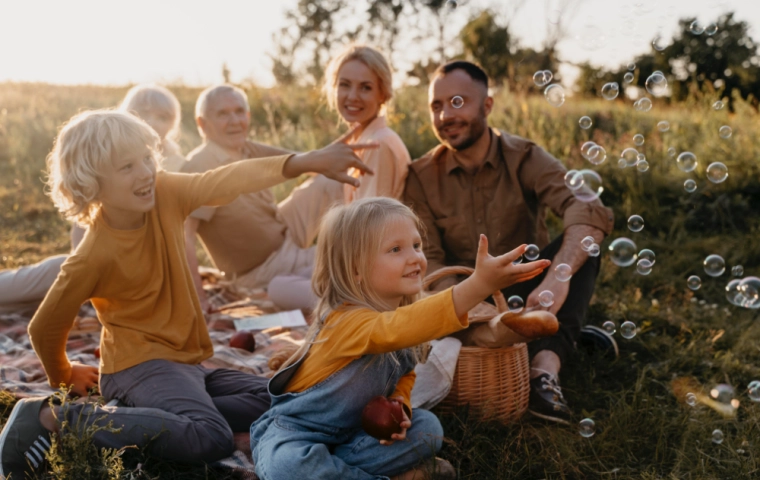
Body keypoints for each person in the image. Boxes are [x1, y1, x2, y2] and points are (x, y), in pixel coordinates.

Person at [0, 109, 374, 478]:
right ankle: (55, 417)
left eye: (146, 158)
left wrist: (303, 161)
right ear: (91, 182)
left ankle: (162, 413)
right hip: (136, 367)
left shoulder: (164, 192)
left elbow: (222, 181)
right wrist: (63, 374)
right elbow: (45, 326)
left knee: (280, 397)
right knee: (211, 437)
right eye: (126, 166)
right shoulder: (91, 256)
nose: (145, 172)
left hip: (186, 365)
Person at [249, 197, 550, 480]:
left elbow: (404, 375)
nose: (415, 258)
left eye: (416, 245)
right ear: (356, 269)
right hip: (298, 432)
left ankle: (337, 468)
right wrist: (478, 285)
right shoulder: (347, 321)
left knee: (428, 429)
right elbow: (398, 327)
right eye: (396, 249)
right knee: (287, 466)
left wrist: (399, 405)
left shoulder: (405, 320)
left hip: (357, 434)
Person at [403, 61, 616, 425]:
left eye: (457, 102)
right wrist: (471, 305)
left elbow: (586, 207)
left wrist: (558, 277)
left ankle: (543, 371)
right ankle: (558, 336)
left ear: (487, 106)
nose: (445, 115)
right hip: (464, 298)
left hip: (530, 289)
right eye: (436, 106)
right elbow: (430, 261)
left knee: (581, 244)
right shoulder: (420, 177)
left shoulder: (524, 157)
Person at [0, 84, 186, 315]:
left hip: (143, 263)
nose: (153, 121)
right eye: (144, 113)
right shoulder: (106, 158)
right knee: (52, 275)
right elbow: (85, 218)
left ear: (173, 124)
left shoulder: (178, 165)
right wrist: (87, 264)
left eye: (163, 117)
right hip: (99, 258)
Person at [267, 44, 412, 310]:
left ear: (383, 94)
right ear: (334, 89)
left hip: (372, 280)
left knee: (278, 287)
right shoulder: (366, 138)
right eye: (345, 85)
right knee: (281, 281)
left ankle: (346, 309)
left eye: (365, 87)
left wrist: (340, 276)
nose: (353, 96)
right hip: (360, 265)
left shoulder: (378, 145)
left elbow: (371, 234)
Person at [181, 84, 350, 312]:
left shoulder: (247, 148)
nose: (234, 121)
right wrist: (200, 301)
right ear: (202, 124)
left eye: (239, 112)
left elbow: (302, 161)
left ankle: (375, 231)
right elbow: (184, 236)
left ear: (248, 116)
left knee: (331, 181)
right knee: (349, 264)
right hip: (262, 269)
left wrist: (333, 155)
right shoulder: (200, 165)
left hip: (284, 231)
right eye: (222, 114)